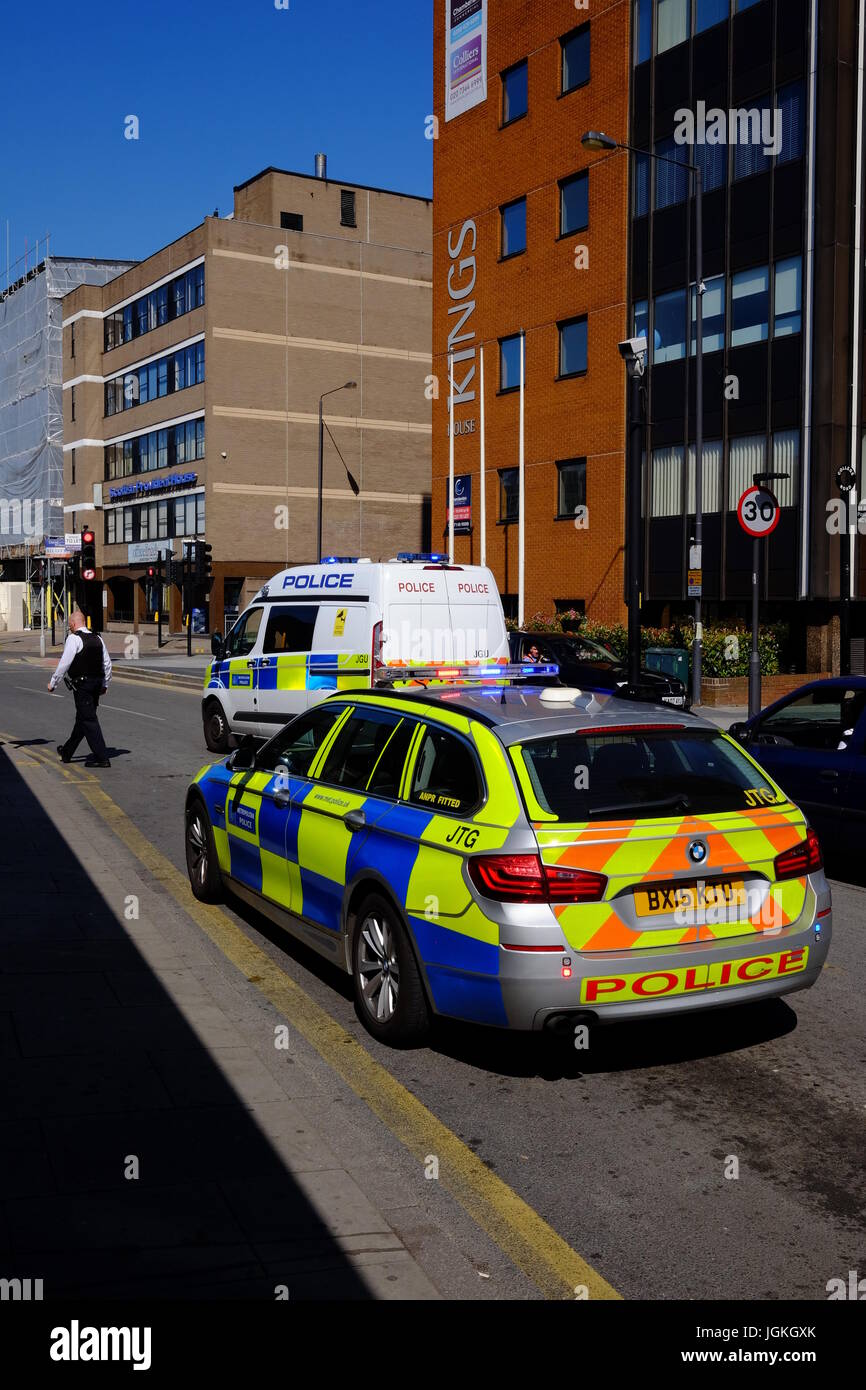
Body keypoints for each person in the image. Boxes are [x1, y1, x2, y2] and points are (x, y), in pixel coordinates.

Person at [48, 611, 113, 768]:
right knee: (82, 719)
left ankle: (102, 757)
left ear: (73, 624)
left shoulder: (74, 638)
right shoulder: (97, 638)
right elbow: (107, 663)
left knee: (89, 720)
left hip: (83, 686)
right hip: (96, 684)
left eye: (70, 624)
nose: (69, 627)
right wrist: (105, 684)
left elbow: (65, 663)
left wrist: (53, 682)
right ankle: (67, 752)